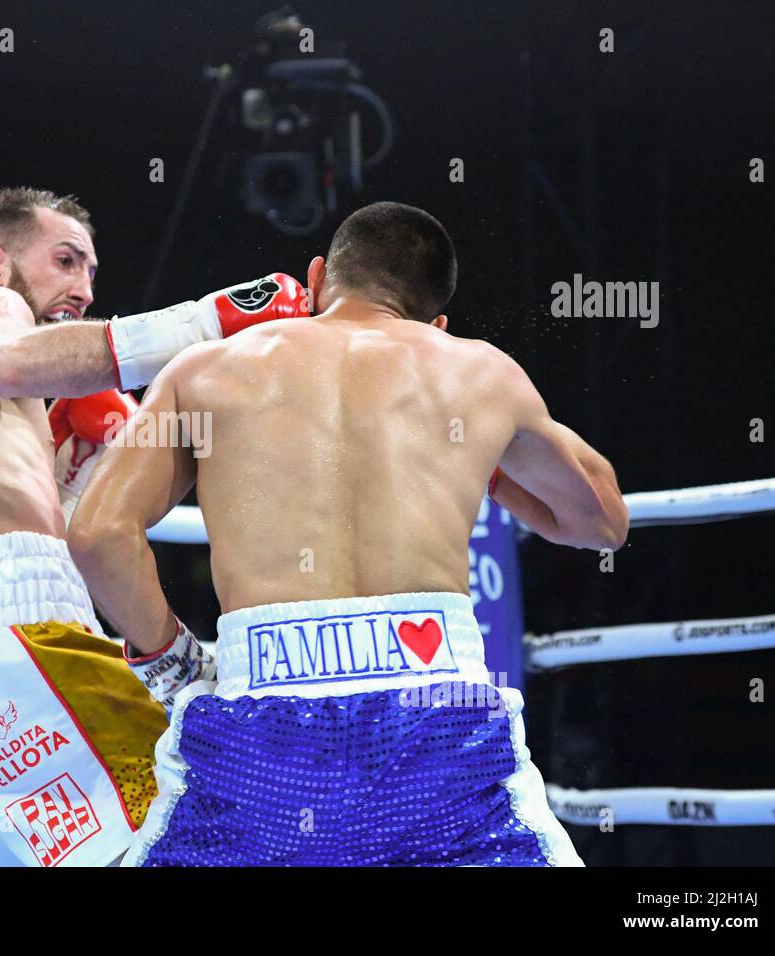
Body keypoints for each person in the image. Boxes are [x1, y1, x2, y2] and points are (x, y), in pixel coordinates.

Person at [67, 200, 629, 866]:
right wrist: (489, 465)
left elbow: (97, 534)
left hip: (261, 735)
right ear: (436, 321)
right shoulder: (478, 370)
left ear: (315, 279)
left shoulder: (205, 370)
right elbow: (601, 521)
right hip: (439, 724)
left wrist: (173, 661)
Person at [0, 186, 308, 866]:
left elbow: (12, 534)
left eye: (92, 271)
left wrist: (69, 478)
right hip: (17, 653)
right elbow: (9, 361)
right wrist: (206, 322)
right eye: (66, 262)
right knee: (201, 829)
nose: (86, 288)